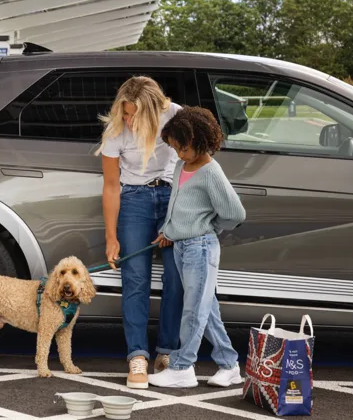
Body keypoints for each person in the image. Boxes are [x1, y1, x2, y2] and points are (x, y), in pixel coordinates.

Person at [147, 107, 246, 389]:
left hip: (200, 248)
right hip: (181, 247)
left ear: (201, 140)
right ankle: (229, 365)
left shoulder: (211, 172)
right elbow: (179, 205)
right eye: (176, 148)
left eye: (184, 148)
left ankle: (182, 367)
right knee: (207, 310)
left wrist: (208, 228)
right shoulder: (182, 166)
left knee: (193, 310)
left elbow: (235, 214)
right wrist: (169, 231)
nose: (179, 154)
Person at [96, 76, 184, 389]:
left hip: (174, 198)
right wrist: (111, 236)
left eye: (135, 114)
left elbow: (190, 168)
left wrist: (177, 217)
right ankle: (137, 355)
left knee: (176, 277)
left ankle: (167, 352)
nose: (129, 119)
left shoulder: (174, 115)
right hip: (134, 200)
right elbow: (110, 186)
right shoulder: (117, 130)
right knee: (135, 279)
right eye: (126, 113)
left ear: (153, 111)